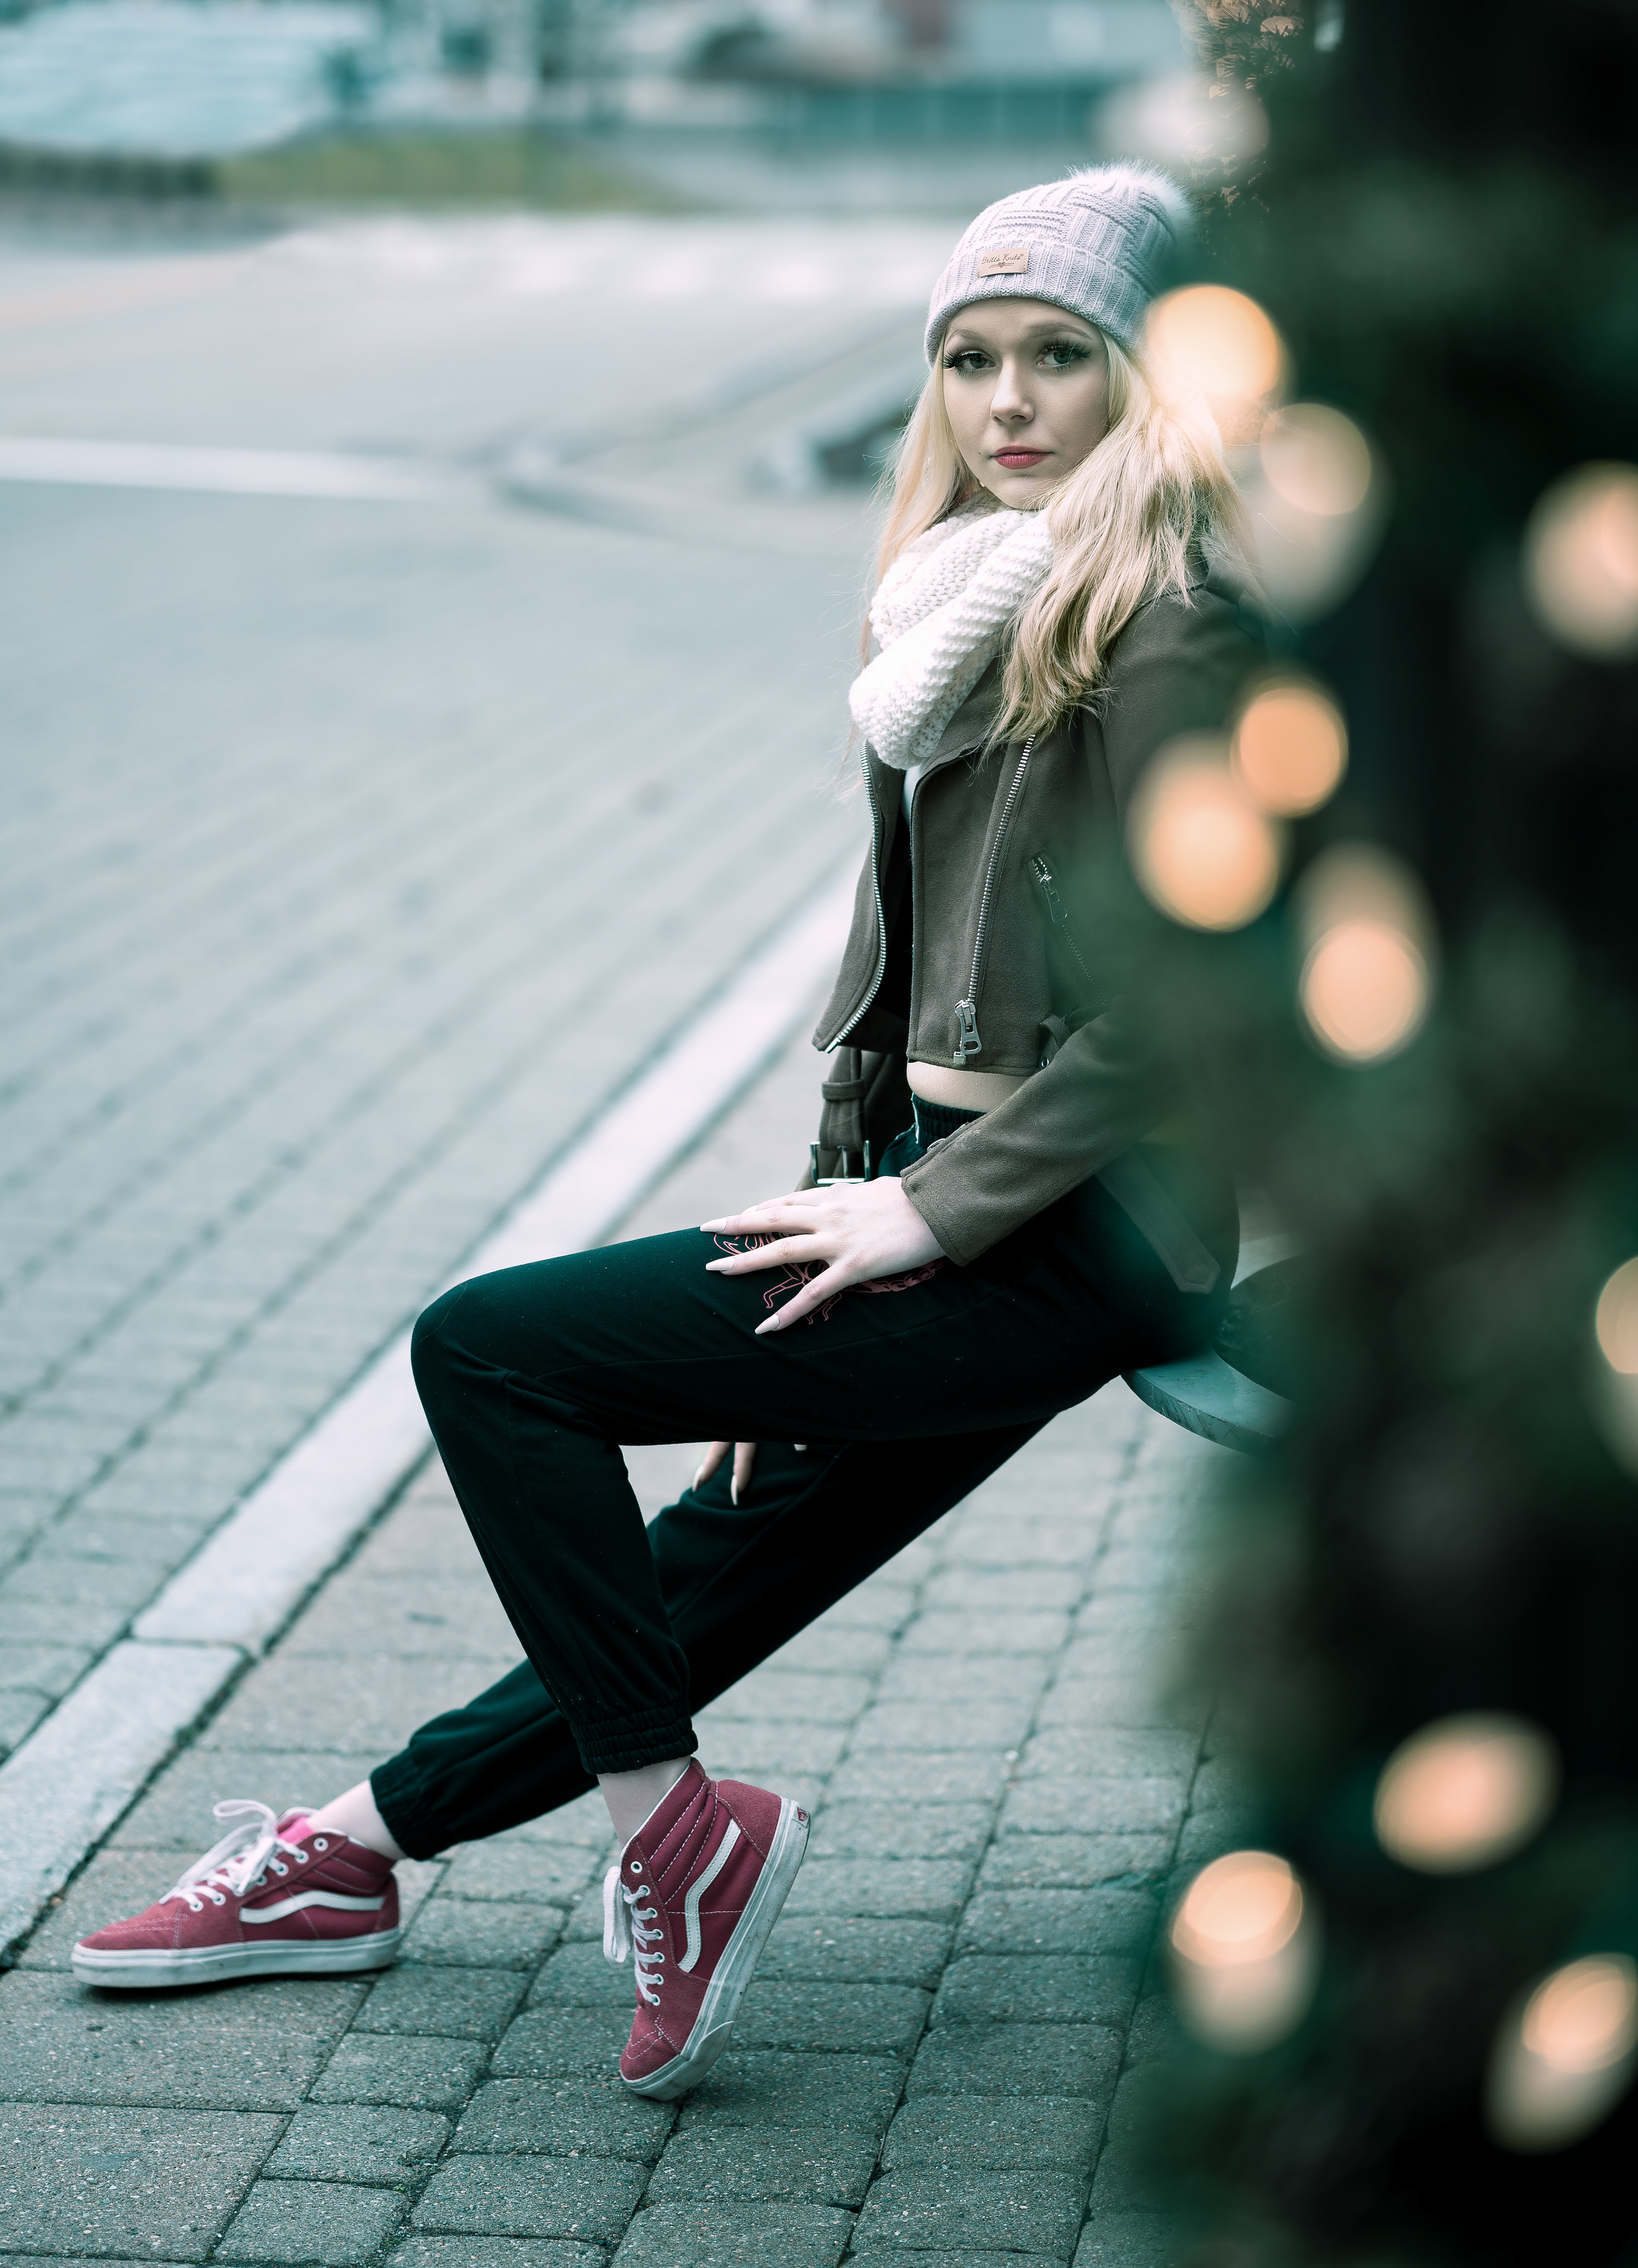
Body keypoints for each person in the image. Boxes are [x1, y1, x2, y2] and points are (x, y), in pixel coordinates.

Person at [72, 163, 1264, 2103]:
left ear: (1149, 378)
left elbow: (1203, 993)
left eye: (1064, 354)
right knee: (699, 1577)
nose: (1010, 400)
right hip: (942, 1203)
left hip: (1081, 1227)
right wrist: (844, 1189)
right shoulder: (963, 607)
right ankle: (352, 1859)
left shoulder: (1166, 625)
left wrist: (926, 1223)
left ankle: (675, 1836)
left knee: (496, 1350)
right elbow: (891, 975)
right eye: (971, 359)